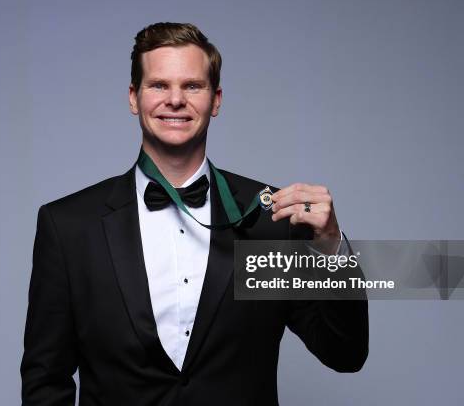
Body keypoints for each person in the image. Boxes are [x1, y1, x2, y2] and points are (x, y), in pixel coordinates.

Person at [21, 22, 368, 406]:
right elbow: (45, 380)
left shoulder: (271, 221)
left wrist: (331, 248)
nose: (175, 100)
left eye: (192, 86)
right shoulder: (69, 226)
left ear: (215, 100)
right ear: (134, 97)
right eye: (159, 85)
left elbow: (345, 353)